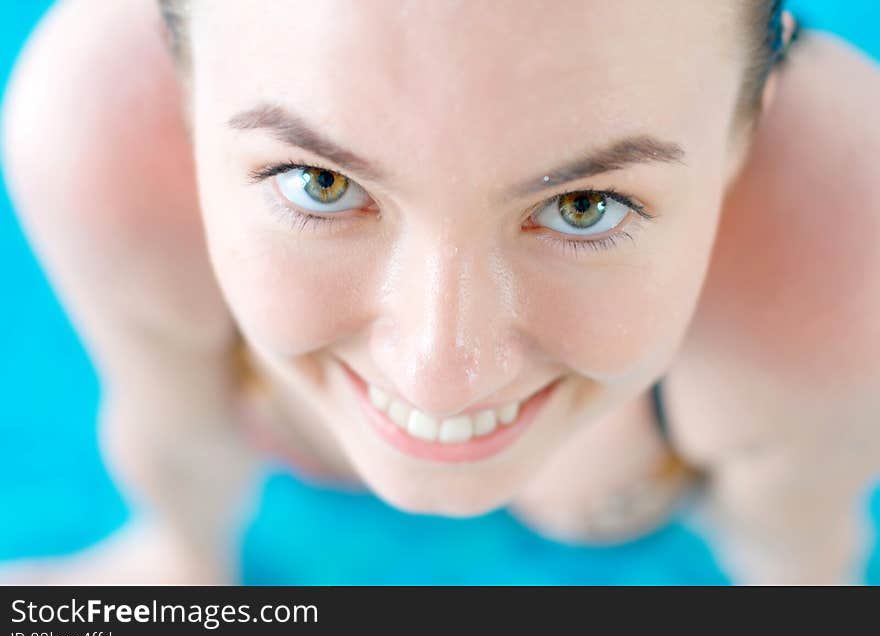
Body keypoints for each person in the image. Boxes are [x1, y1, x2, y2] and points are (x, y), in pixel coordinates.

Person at [2, 0, 878, 585]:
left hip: (647, 458)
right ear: (181, 90)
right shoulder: (94, 127)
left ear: (747, 126)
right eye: (320, 183)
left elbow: (799, 551)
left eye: (584, 205)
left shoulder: (843, 254)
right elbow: (168, 426)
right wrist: (178, 563)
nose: (440, 372)